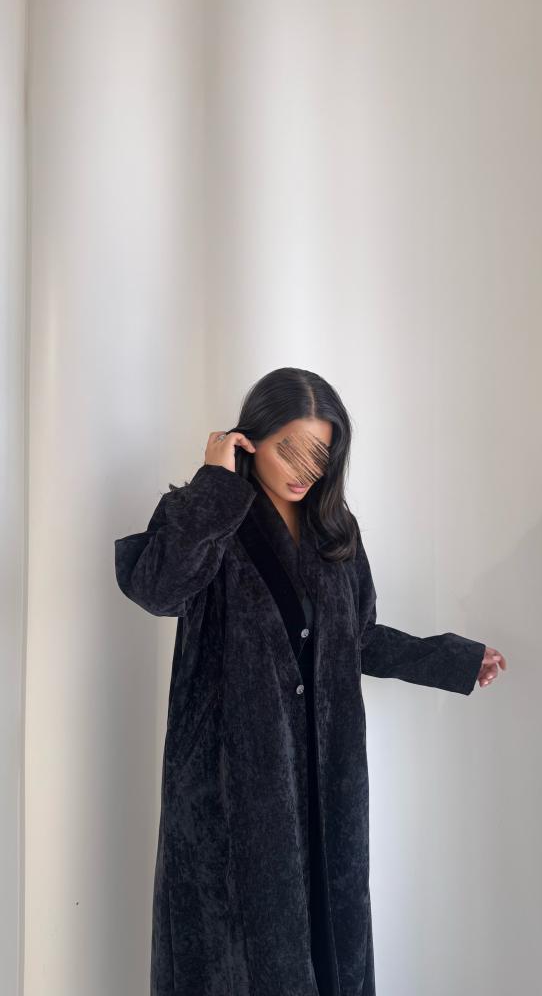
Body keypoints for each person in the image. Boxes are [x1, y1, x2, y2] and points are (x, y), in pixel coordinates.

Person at [114, 367, 507, 996]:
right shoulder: (208, 515)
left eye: (319, 456)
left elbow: (357, 639)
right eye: (288, 450)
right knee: (234, 954)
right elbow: (158, 590)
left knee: (327, 944)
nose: (303, 471)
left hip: (327, 777)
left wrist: (450, 660)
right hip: (232, 783)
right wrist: (215, 483)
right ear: (250, 439)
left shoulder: (334, 530)